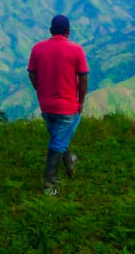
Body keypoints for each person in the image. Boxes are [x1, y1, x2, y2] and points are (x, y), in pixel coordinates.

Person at [27, 15, 89, 196]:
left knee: (58, 138)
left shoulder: (37, 48)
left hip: (46, 105)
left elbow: (31, 73)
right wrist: (81, 101)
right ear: (68, 32)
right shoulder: (76, 49)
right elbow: (83, 76)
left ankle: (70, 161)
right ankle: (49, 186)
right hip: (68, 106)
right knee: (57, 142)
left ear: (50, 30)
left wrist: (40, 90)